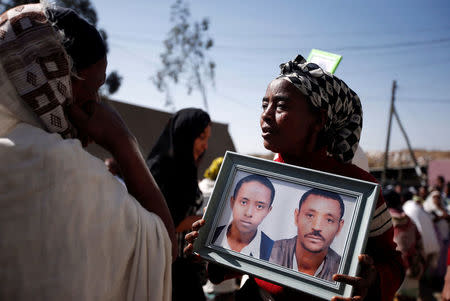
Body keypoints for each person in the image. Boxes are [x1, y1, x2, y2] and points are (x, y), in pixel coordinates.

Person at [186, 54, 404, 301]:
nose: (266, 115)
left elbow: (392, 263)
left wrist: (372, 281)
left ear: (319, 120)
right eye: (264, 105)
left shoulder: (359, 190)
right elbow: (250, 259)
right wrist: (213, 246)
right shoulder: (256, 180)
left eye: (280, 106)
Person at [0, 3, 176, 301]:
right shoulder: (58, 167)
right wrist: (122, 141)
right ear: (55, 81)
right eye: (92, 89)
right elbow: (162, 245)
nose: (96, 103)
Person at [146, 108, 211, 301]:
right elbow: (168, 221)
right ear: (185, 133)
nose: (205, 145)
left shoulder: (186, 168)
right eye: (201, 136)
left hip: (183, 267)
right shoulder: (162, 168)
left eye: (207, 138)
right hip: (167, 268)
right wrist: (207, 219)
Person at [269, 188, 344, 281]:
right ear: (297, 217)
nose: (316, 227)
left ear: (339, 227)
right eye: (310, 216)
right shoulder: (267, 251)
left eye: (329, 220)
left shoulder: (344, 270)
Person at [212, 174, 276, 260]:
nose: (248, 213)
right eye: (243, 202)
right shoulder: (210, 235)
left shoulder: (275, 251)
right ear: (232, 202)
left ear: (268, 211)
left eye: (259, 206)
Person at [384, 190, 424, 301]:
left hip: (394, 273)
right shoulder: (409, 220)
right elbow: (420, 244)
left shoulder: (384, 221)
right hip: (412, 270)